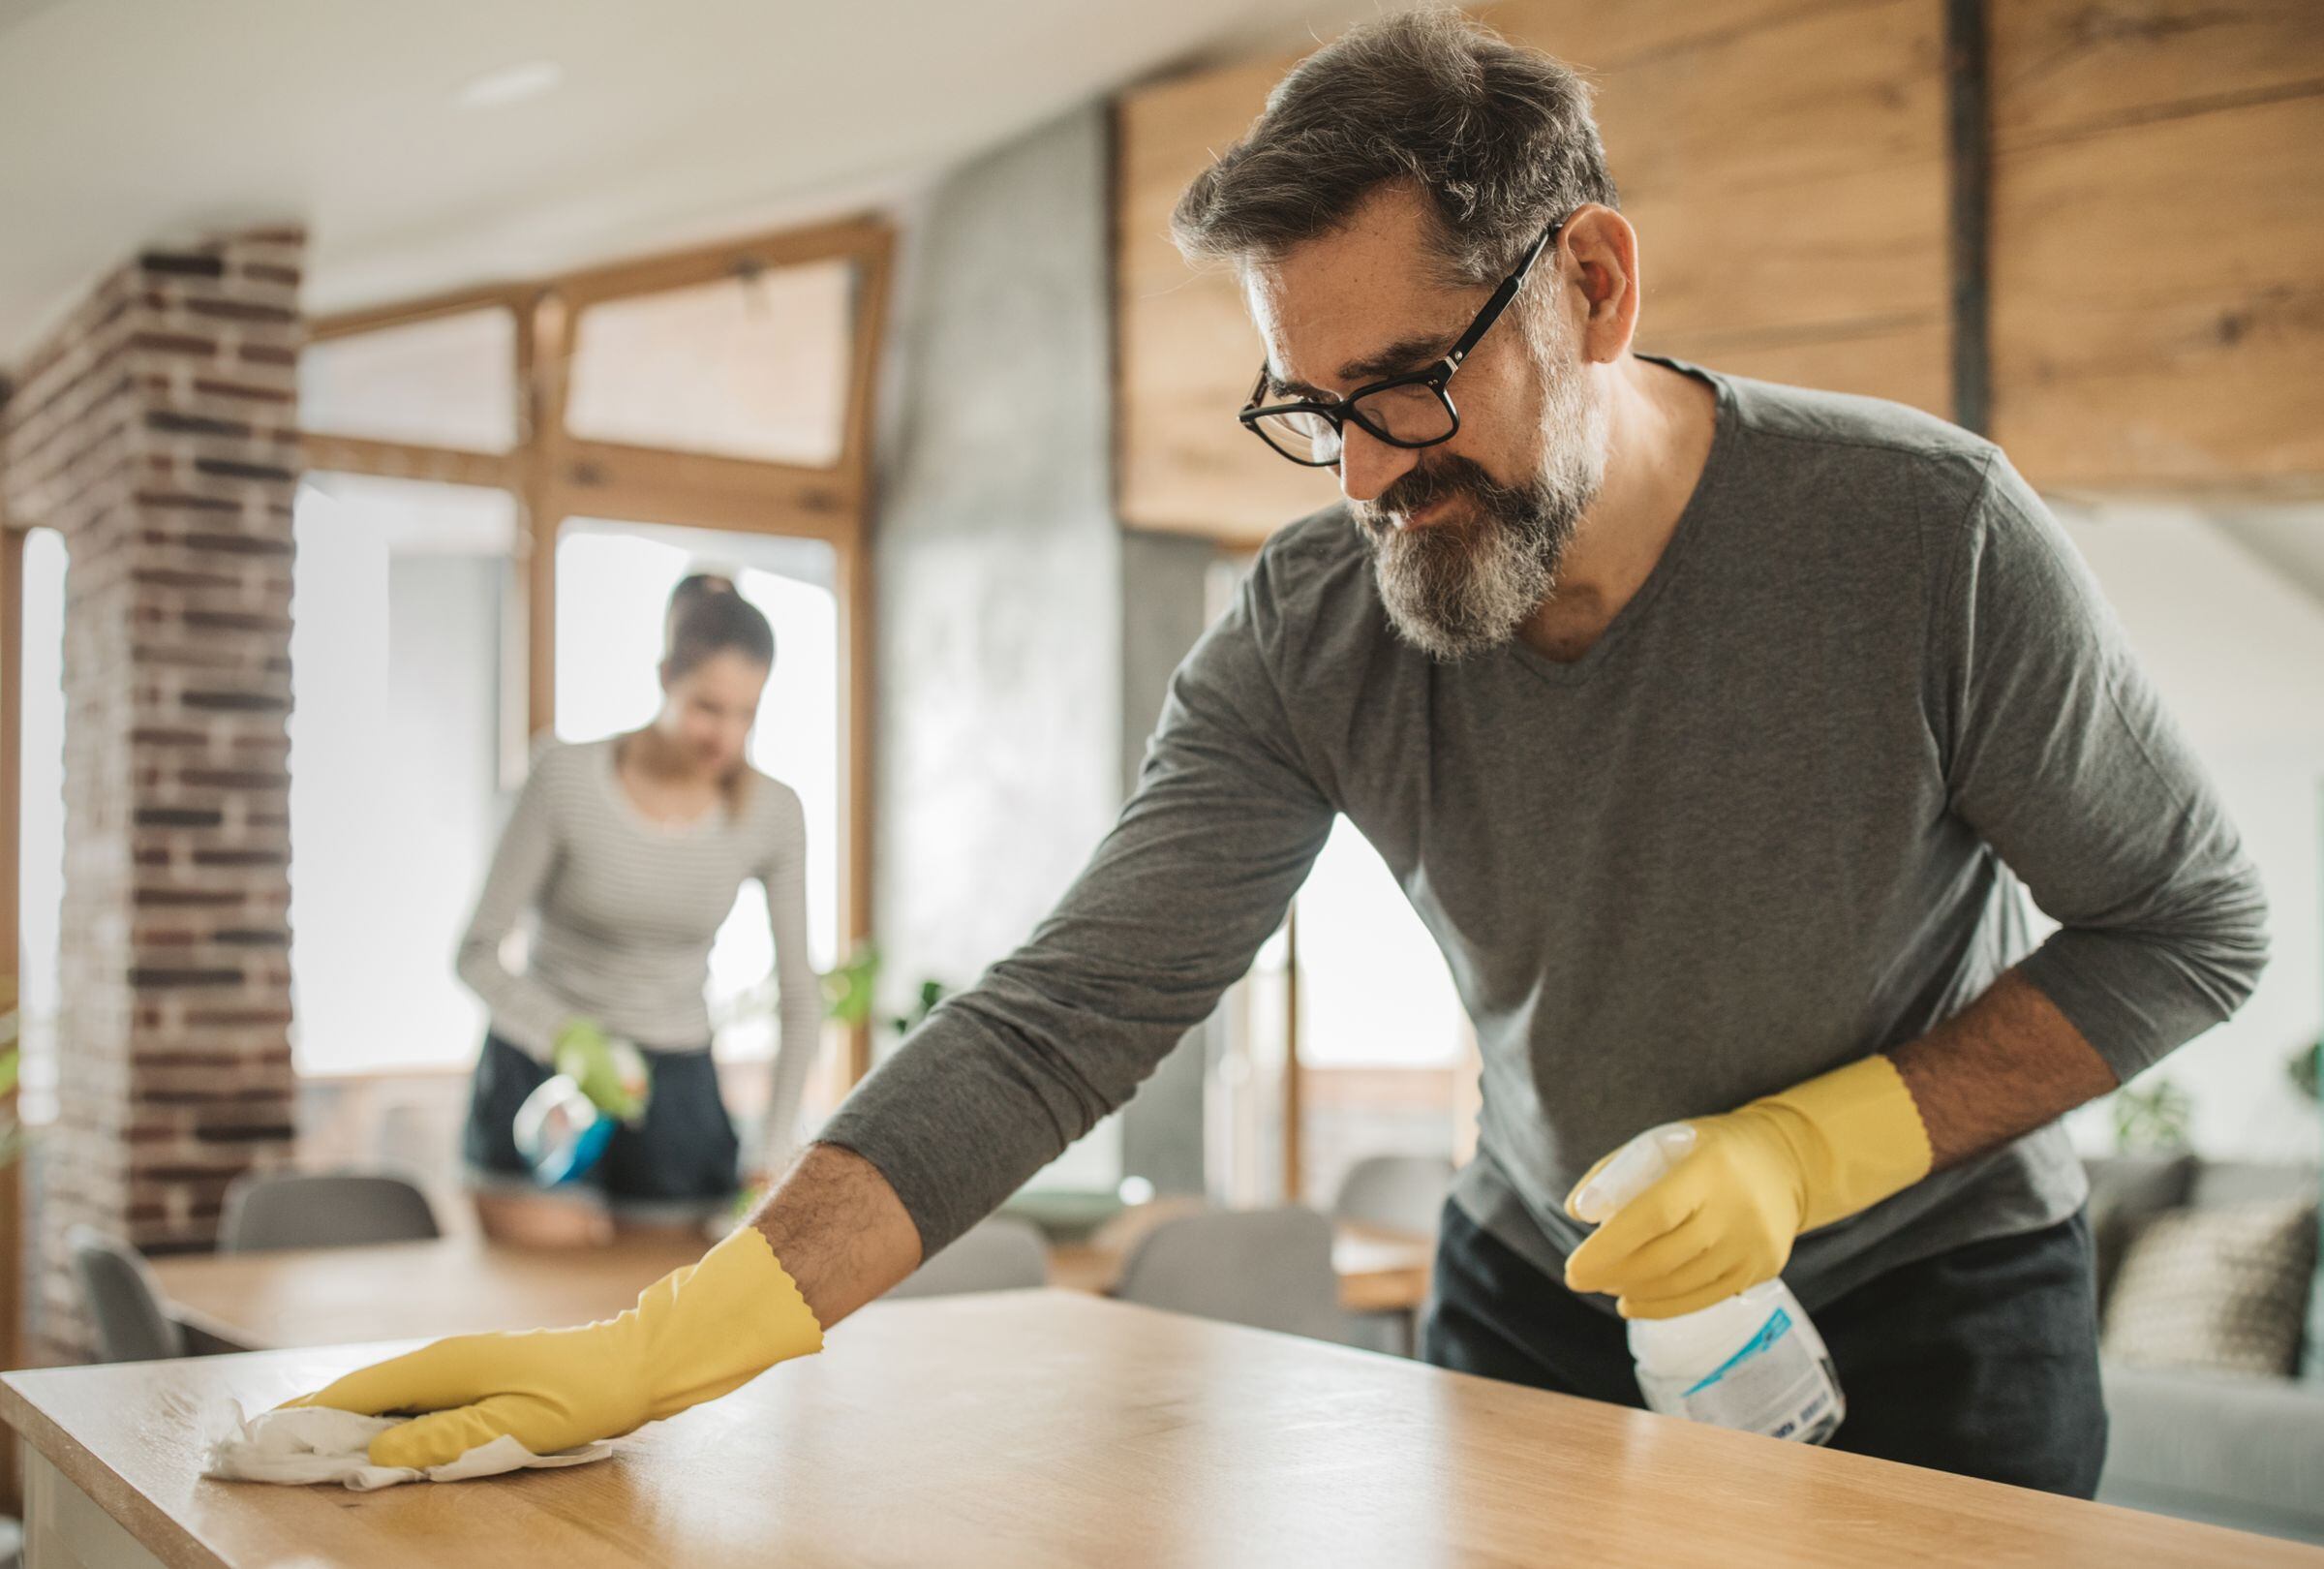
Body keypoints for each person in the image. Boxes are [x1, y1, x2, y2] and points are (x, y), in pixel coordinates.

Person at [292, 12, 2267, 1494]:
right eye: (1316, 409)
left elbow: (2190, 923)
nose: (1374, 477)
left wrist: (1811, 1146)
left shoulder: (1923, 539)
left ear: (1590, 284)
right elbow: (1066, 1016)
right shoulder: (1316, 622)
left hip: (1930, 1309)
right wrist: (679, 1336)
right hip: (1538, 1296)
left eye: (1413, 382)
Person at [454, 571, 824, 1240]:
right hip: (539, 1072)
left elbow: (801, 996)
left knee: (661, 1305)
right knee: (545, 1299)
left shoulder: (772, 814)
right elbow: (476, 953)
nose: (726, 737)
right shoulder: (564, 777)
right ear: (664, 678)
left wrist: (771, 1156)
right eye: (708, 707)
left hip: (676, 1090)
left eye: (747, 713)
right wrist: (565, 1038)